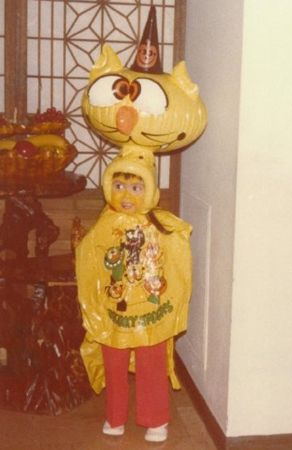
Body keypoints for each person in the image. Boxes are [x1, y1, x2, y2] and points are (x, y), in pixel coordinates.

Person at [76, 146, 192, 442]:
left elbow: (177, 264)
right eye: (118, 186)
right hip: (114, 312)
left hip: (150, 313)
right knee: (113, 363)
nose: (126, 196)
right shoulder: (105, 225)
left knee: (151, 363)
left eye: (136, 187)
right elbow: (90, 265)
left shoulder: (162, 225)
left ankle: (155, 419)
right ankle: (114, 416)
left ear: (150, 190)